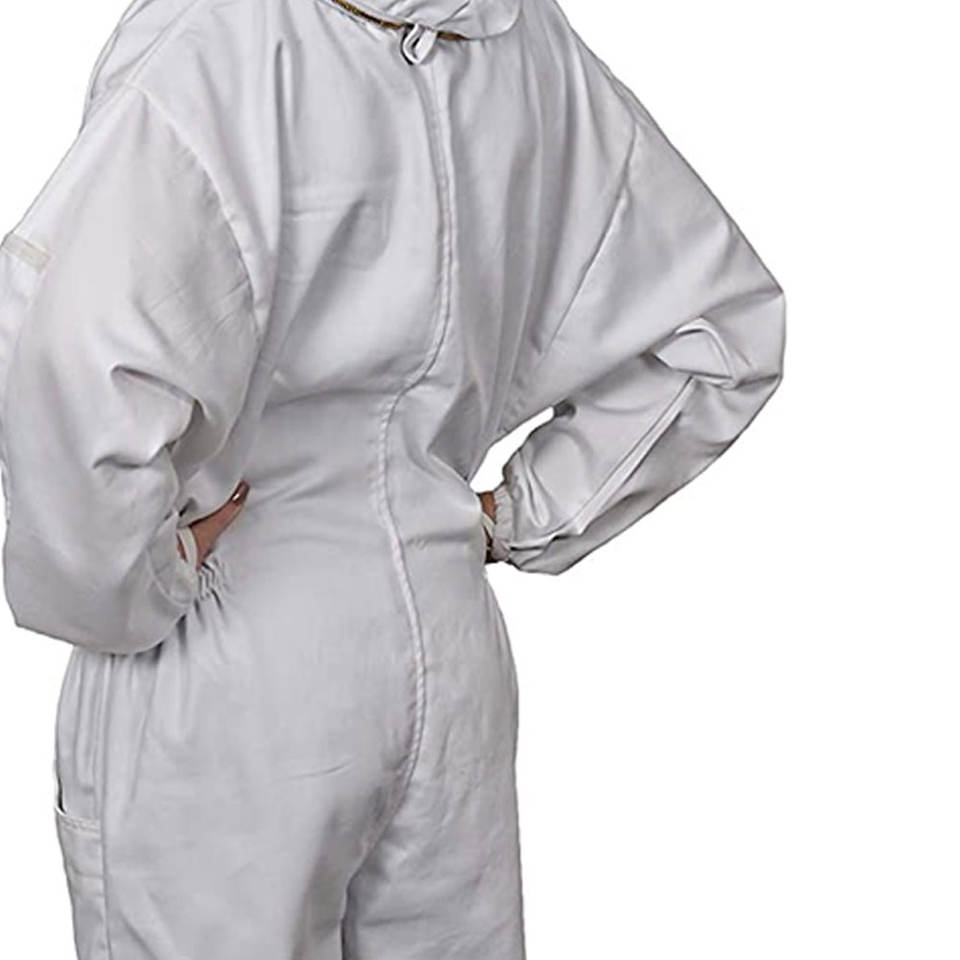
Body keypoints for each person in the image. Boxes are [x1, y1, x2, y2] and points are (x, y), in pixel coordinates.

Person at [0, 0, 786, 956]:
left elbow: (73, 364)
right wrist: (509, 515)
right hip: (444, 630)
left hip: (231, 647)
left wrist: (125, 585)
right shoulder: (525, 41)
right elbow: (722, 332)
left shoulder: (224, 41)